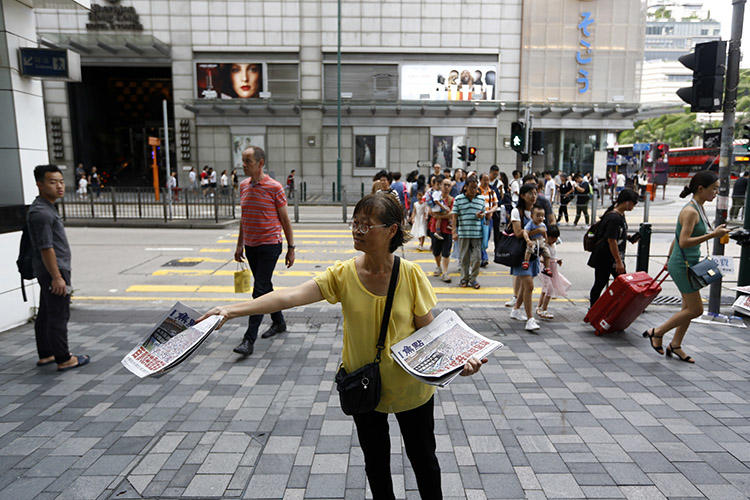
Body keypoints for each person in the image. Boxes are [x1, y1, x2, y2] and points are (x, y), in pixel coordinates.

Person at [198, 192, 486, 499]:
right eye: (355, 223)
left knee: (424, 461)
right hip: (364, 386)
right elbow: (290, 296)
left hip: (412, 390)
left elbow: (429, 331)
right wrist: (231, 309)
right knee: (375, 465)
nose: (356, 231)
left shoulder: (411, 275)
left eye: (366, 225)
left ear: (391, 230)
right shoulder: (344, 274)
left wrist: (459, 363)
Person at [644, 172, 730, 364]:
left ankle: (675, 344)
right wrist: (713, 235)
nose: (716, 192)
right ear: (701, 189)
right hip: (683, 265)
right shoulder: (691, 211)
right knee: (696, 309)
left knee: (687, 307)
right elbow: (683, 241)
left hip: (687, 263)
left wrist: (668, 258)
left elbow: (677, 236)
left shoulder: (698, 207)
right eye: (713, 188)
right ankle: (657, 332)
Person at [233, 146, 296, 357]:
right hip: (251, 246)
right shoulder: (243, 186)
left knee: (258, 290)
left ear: (260, 163)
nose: (243, 165)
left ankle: (248, 339)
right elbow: (244, 218)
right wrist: (239, 244)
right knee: (265, 287)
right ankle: (279, 323)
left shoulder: (274, 187)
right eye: (243, 160)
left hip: (270, 245)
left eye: (248, 161)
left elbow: (285, 220)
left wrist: (291, 248)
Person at [27, 165, 89, 371]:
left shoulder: (43, 208)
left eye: (61, 181)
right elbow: (46, 248)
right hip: (55, 271)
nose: (59, 186)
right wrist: (57, 277)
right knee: (59, 314)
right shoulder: (42, 213)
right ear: (40, 184)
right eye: (53, 182)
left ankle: (46, 354)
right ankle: (64, 358)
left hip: (50, 270)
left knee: (46, 311)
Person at [587, 189, 639, 307]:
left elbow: (615, 235)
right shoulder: (614, 218)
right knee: (603, 284)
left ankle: (606, 308)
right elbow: (611, 240)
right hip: (607, 258)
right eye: (633, 203)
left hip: (612, 257)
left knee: (615, 284)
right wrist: (618, 262)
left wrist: (629, 238)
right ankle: (595, 309)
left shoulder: (619, 215)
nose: (634, 206)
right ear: (626, 202)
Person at [509, 184, 541, 331]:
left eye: (535, 193)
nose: (533, 196)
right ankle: (530, 319)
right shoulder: (517, 211)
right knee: (529, 286)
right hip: (521, 254)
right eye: (530, 193)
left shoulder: (536, 211)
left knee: (525, 286)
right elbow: (517, 232)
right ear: (522, 195)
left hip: (534, 253)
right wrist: (536, 231)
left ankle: (516, 310)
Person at [452, 176, 485, 289]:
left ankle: (473, 279)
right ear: (465, 187)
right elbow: (454, 217)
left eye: (475, 188)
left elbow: (484, 215)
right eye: (471, 188)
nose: (473, 190)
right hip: (464, 233)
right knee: (464, 259)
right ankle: (464, 279)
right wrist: (454, 232)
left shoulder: (481, 199)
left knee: (477, 258)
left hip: (477, 234)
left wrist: (481, 216)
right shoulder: (458, 199)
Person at [536, 225, 570, 319]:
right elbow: (540, 259)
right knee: (549, 289)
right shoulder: (543, 245)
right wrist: (553, 261)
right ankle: (544, 309)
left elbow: (553, 256)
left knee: (545, 288)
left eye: (556, 238)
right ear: (547, 236)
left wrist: (556, 260)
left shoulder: (553, 244)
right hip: (544, 269)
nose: (555, 240)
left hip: (552, 268)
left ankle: (539, 308)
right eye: (553, 238)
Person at [430, 177, 454, 281]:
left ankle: (445, 272)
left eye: (449, 185)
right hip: (435, 229)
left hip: (447, 230)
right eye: (445, 185)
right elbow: (431, 212)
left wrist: (439, 216)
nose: (447, 187)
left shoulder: (452, 200)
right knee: (436, 251)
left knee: (446, 252)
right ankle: (438, 267)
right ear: (441, 186)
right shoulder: (435, 197)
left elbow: (451, 214)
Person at [522, 204, 551, 275]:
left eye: (542, 216)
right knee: (529, 248)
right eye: (538, 216)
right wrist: (528, 240)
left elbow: (544, 233)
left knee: (547, 253)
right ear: (532, 216)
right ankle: (526, 262)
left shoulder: (543, 225)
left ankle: (547, 268)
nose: (540, 218)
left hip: (541, 241)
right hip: (533, 240)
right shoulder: (530, 224)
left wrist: (546, 240)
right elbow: (525, 232)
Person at [478, 173, 498, 267]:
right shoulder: (477, 191)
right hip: (478, 218)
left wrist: (490, 212)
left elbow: (495, 204)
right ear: (480, 180)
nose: (486, 182)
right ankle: (484, 258)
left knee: (485, 239)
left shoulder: (491, 192)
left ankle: (482, 257)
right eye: (484, 180)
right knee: (479, 238)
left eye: (487, 180)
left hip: (488, 219)